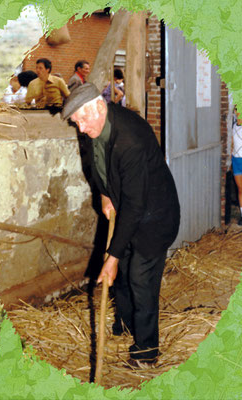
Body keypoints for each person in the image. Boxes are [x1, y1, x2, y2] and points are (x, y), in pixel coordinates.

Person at [61, 83, 180, 367]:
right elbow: (96, 165)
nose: (80, 129)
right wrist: (104, 194)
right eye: (75, 123)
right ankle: (126, 325)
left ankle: (146, 352)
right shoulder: (95, 127)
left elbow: (136, 206)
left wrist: (111, 257)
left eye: (82, 120)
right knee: (122, 274)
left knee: (140, 279)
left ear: (99, 107)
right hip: (126, 209)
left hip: (154, 217)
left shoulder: (131, 139)